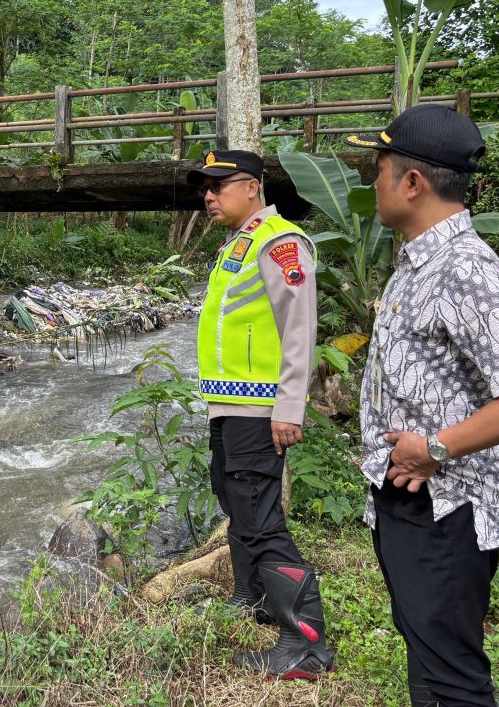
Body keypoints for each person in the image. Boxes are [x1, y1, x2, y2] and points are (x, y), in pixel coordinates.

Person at [345, 105, 499, 707]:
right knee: (431, 657)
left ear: (412, 183)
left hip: (445, 509)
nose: (373, 181)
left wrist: (433, 448)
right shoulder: (419, 258)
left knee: (452, 682)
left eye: (379, 167)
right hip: (410, 499)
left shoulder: (463, 268)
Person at [187, 148, 334, 680]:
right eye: (204, 187)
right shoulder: (238, 244)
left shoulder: (281, 243)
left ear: (252, 187)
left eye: (218, 186)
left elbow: (299, 329)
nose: (208, 195)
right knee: (237, 504)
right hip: (228, 405)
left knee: (261, 517)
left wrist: (289, 408)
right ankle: (250, 598)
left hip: (258, 409)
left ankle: (306, 641)